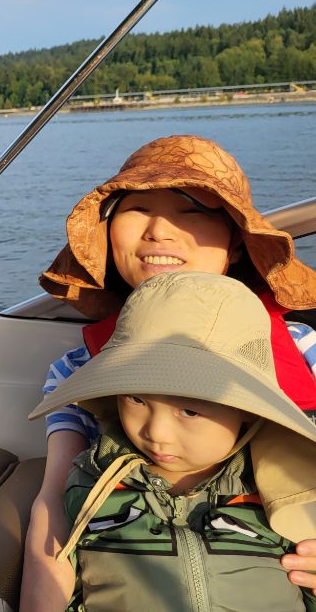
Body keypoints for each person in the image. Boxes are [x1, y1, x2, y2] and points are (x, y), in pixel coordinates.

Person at [20, 134, 316, 610]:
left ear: (236, 244)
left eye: (191, 210)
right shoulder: (77, 371)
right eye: (137, 209)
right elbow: (55, 502)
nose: (158, 230)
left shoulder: (305, 350)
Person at [30, 271, 316, 612]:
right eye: (136, 398)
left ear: (248, 411)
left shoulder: (295, 489)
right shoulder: (93, 481)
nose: (157, 433)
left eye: (189, 411)